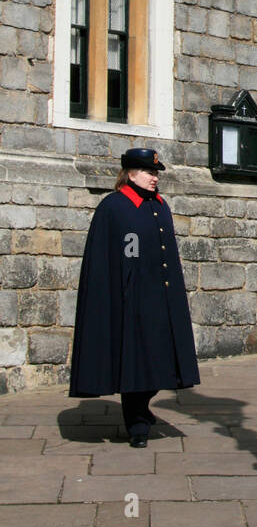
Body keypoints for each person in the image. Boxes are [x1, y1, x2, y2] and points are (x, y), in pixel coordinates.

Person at [68, 148, 200, 447]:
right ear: (129, 174)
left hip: (161, 297)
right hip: (131, 299)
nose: (154, 178)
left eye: (156, 173)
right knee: (135, 364)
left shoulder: (160, 205)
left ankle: (142, 407)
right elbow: (110, 259)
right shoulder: (113, 207)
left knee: (161, 360)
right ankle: (137, 422)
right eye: (148, 172)